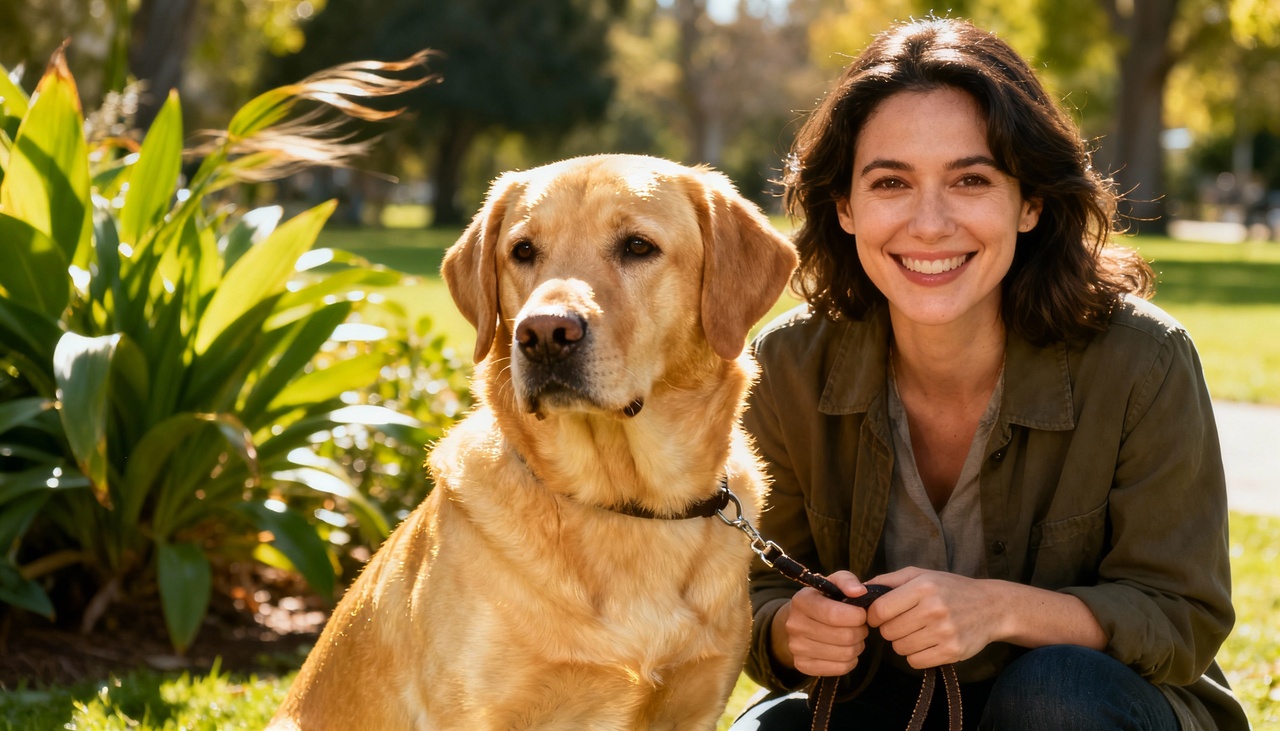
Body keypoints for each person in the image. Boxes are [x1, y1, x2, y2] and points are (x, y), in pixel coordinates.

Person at [731, 17, 1249, 731]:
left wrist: (999, 608)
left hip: (1093, 706)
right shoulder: (782, 367)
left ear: (1030, 200)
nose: (930, 223)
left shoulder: (1144, 361)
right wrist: (793, 627)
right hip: (880, 701)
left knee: (1050, 694)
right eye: (891, 182)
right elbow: (753, 589)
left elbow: (1181, 613)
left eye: (970, 179)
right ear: (845, 206)